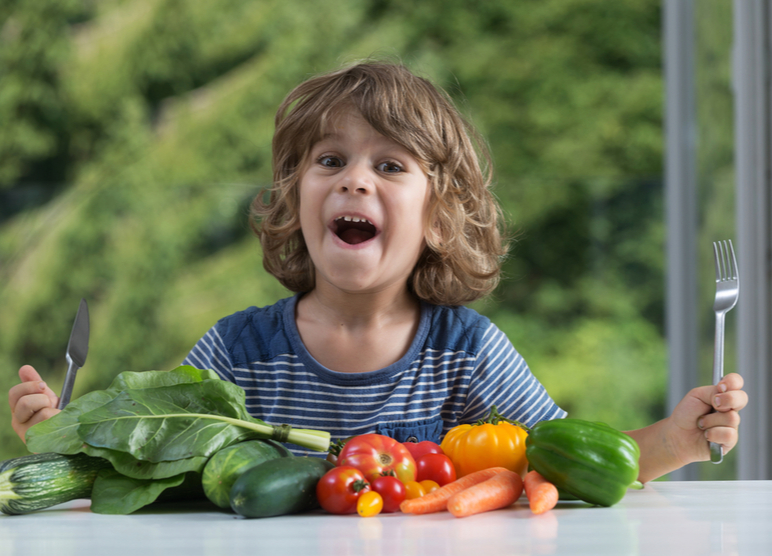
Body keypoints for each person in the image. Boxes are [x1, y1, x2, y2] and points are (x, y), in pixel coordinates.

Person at [9, 61, 747, 483]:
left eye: (388, 166)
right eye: (329, 161)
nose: (353, 181)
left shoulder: (467, 353)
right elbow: (155, 454)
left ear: (436, 215)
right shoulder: (238, 353)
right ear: (296, 197)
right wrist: (64, 437)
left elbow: (567, 460)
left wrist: (675, 440)